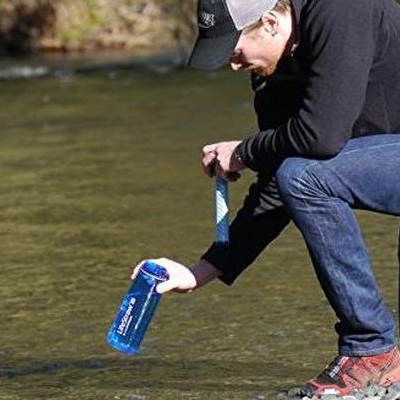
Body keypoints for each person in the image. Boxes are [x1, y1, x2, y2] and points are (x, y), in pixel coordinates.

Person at [133, 0, 400, 396]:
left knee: (304, 174)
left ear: (271, 23)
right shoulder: (274, 75)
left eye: (236, 51)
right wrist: (198, 272)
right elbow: (280, 185)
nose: (234, 66)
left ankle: (371, 351)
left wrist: (243, 151)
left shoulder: (341, 9)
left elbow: (320, 137)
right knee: (299, 175)